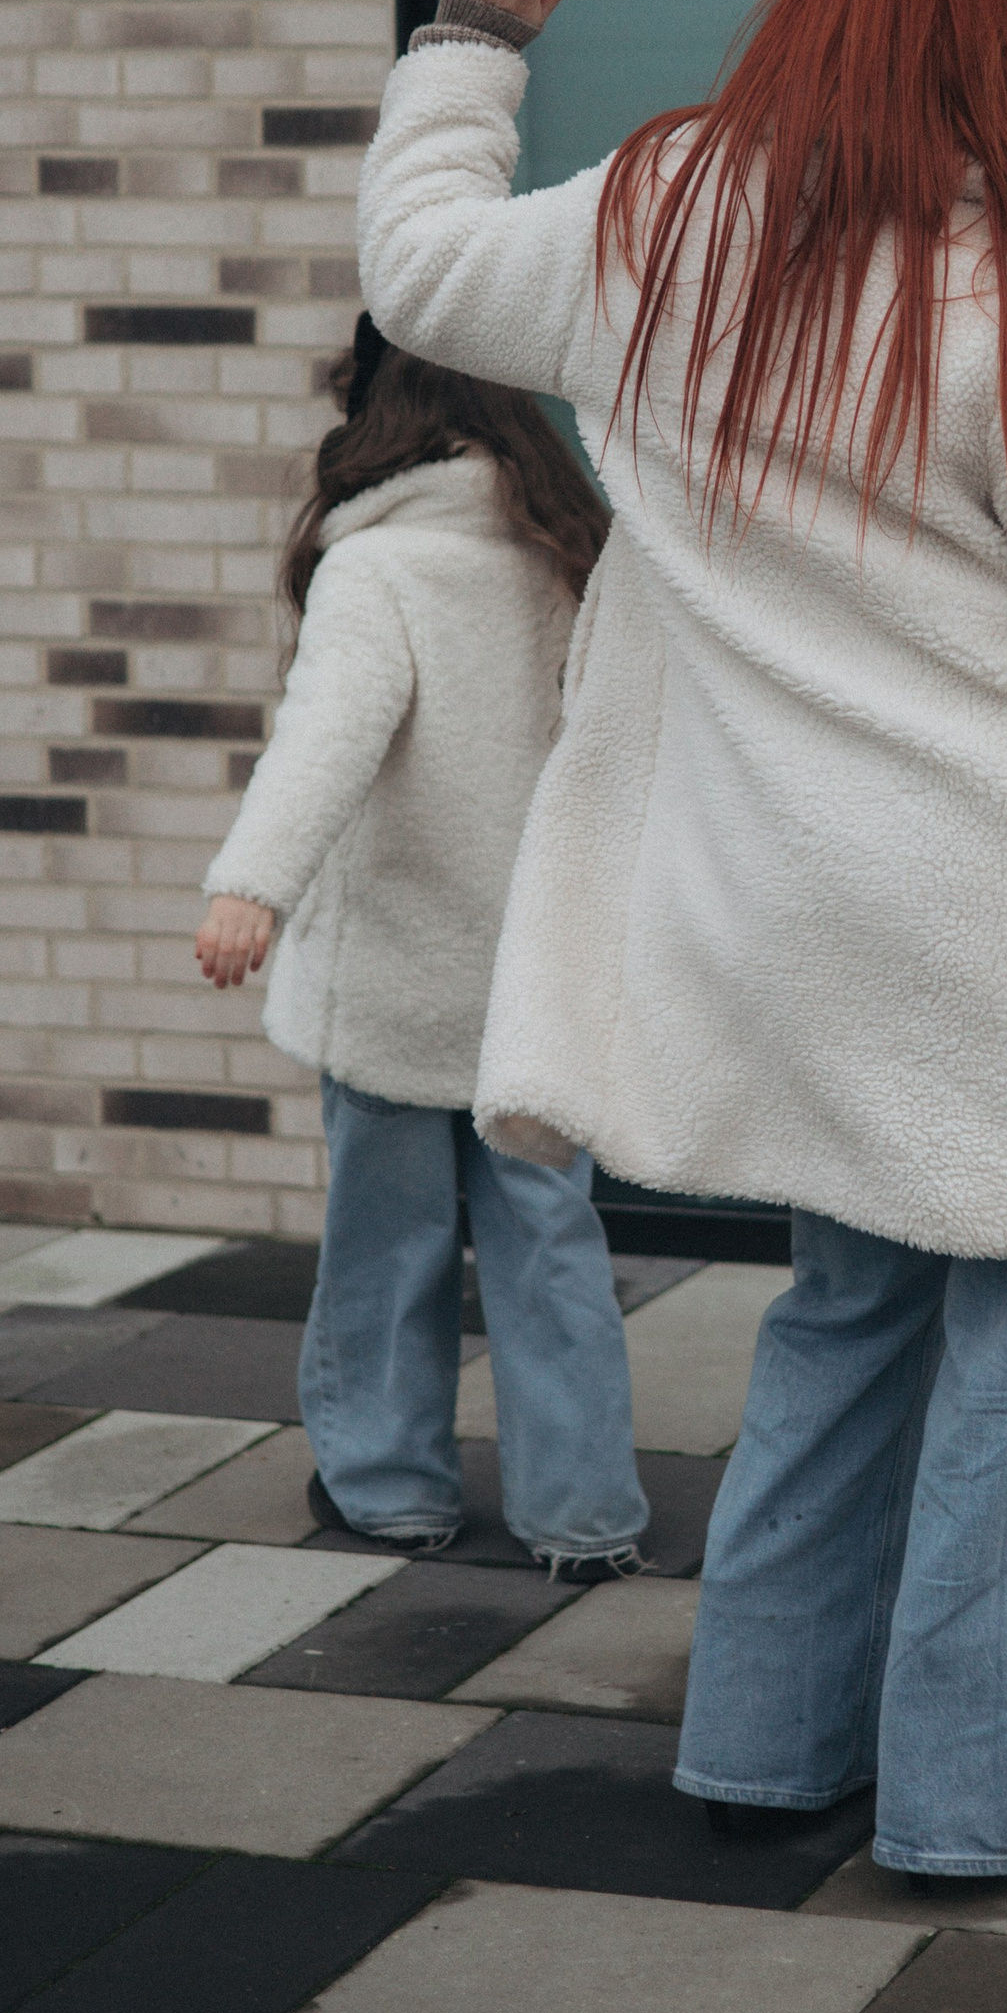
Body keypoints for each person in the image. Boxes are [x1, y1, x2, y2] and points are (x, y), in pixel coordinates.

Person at [356, 0, 1007, 1882]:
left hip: (795, 898)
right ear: (1002, 74)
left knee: (840, 1313)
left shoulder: (651, 226)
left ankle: (757, 1743)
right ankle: (964, 1805)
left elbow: (412, 263)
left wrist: (473, 46)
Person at [193, 314, 649, 1579]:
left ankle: (392, 1485)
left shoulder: (380, 570)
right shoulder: (562, 554)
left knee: (385, 1246)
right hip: (531, 988)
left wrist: (251, 886)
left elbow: (325, 736)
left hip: (396, 982)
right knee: (550, 1249)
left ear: (378, 409)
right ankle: (583, 1512)